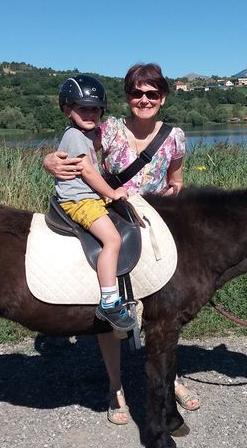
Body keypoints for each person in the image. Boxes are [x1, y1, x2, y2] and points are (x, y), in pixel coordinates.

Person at [44, 63, 200, 425]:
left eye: (152, 93)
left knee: (164, 309)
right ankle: (115, 387)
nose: (144, 100)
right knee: (114, 301)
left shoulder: (174, 137)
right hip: (113, 216)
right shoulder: (109, 128)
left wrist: (176, 192)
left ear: (162, 97)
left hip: (155, 225)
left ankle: (171, 376)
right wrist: (49, 160)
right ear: (128, 96)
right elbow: (77, 149)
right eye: (136, 93)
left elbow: (176, 178)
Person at [54, 74, 137, 332]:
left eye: (96, 109)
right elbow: (88, 172)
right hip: (80, 201)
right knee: (112, 239)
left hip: (87, 198)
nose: (91, 114)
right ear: (67, 110)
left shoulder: (83, 136)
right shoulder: (75, 136)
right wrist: (112, 193)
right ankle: (109, 302)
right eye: (83, 108)